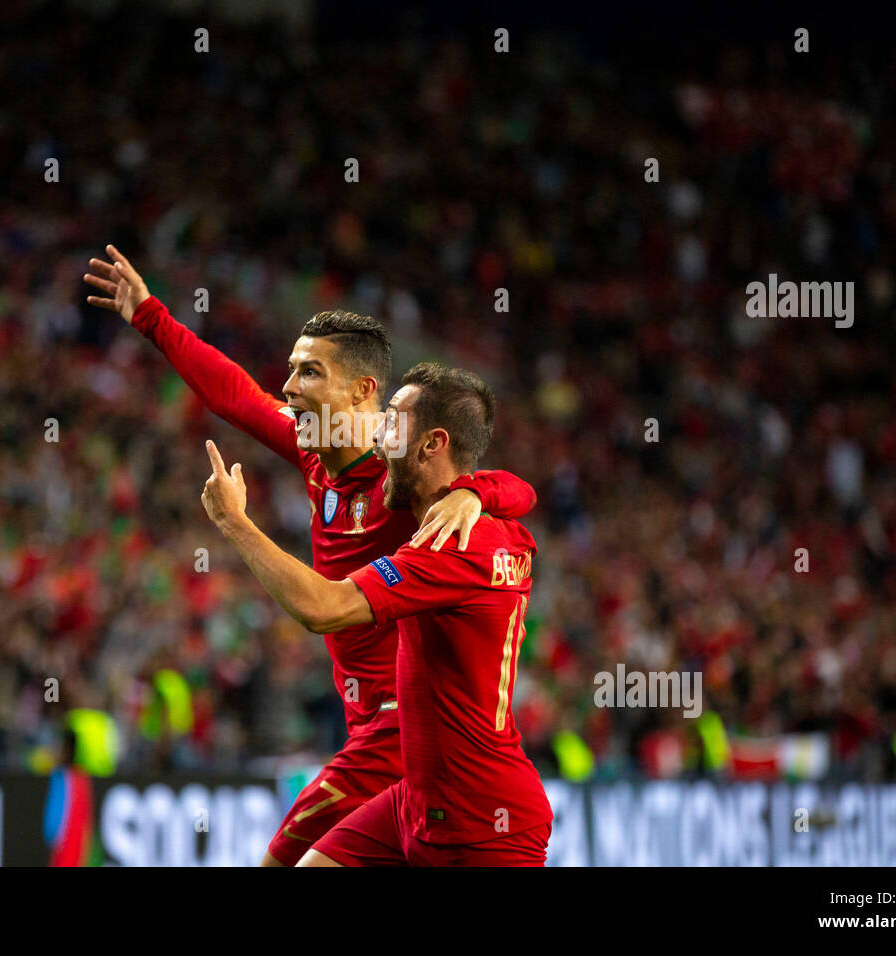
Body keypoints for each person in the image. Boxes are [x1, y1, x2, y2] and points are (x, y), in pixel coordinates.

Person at [85, 246, 537, 865]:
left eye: (309, 374)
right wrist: (150, 316)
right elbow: (234, 395)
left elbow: (516, 488)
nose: (289, 387)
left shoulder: (398, 472)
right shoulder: (319, 452)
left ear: (364, 392)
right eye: (294, 371)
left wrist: (473, 492)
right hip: (368, 727)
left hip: (400, 729)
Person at [201, 362, 552, 866]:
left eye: (391, 421)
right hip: (414, 800)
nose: (377, 434)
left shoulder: (448, 548)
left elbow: (322, 609)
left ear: (432, 444)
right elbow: (522, 493)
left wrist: (236, 523)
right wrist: (478, 490)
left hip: (482, 824)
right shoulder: (487, 527)